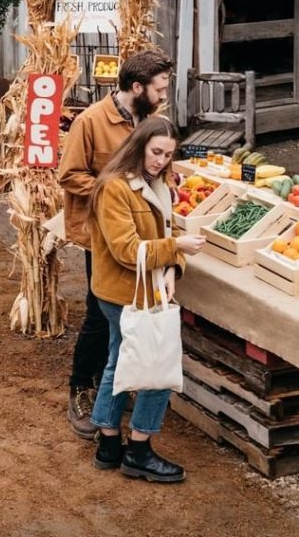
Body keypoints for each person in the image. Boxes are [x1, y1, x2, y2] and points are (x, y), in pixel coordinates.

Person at [58, 49, 174, 438]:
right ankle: (80, 387)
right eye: (158, 89)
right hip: (103, 233)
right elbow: (70, 175)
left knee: (128, 312)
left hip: (140, 232)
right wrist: (119, 197)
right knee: (98, 310)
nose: (163, 96)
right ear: (137, 87)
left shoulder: (151, 121)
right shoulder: (91, 121)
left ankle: (117, 383)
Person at [89, 115, 204, 481]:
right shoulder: (114, 188)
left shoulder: (158, 181)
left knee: (118, 359)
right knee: (158, 364)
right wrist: (177, 248)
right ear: (139, 145)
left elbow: (166, 230)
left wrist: (174, 266)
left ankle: (108, 442)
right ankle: (138, 450)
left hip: (140, 287)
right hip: (124, 292)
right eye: (156, 152)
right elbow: (126, 249)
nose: (161, 161)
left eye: (168, 155)